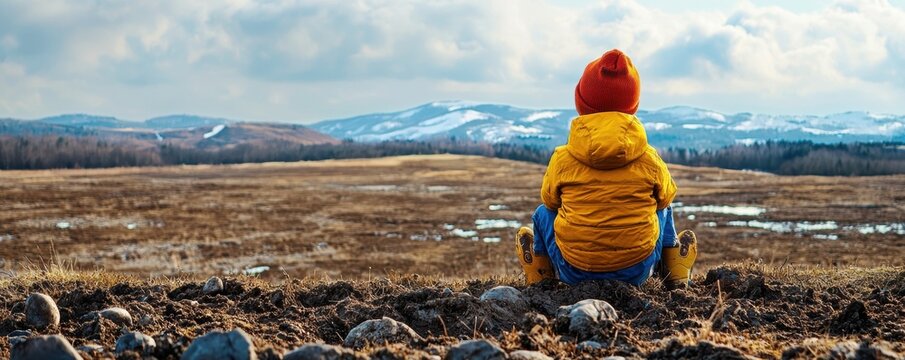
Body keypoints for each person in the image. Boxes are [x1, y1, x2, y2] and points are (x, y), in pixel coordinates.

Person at [515, 49, 697, 289]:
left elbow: (550, 201)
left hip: (573, 271)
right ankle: (675, 271)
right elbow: (665, 199)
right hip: (638, 271)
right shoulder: (649, 159)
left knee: (542, 213)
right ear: (633, 106)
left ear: (581, 103)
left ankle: (539, 275)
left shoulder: (562, 158)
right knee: (664, 208)